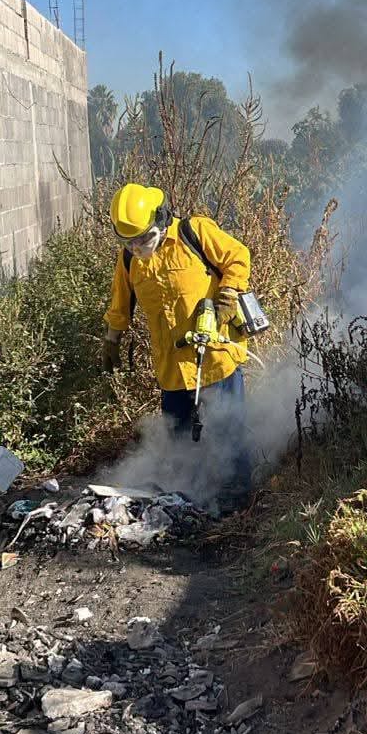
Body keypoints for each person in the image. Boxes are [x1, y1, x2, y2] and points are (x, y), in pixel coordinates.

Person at [103, 183, 252, 508]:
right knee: (182, 444)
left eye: (144, 239)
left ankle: (239, 506)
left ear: (160, 220)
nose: (138, 247)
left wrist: (228, 295)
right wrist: (112, 339)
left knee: (228, 433)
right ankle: (190, 504)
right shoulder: (129, 260)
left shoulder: (194, 233)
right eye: (130, 242)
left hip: (215, 360)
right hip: (171, 370)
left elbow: (238, 256)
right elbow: (120, 304)